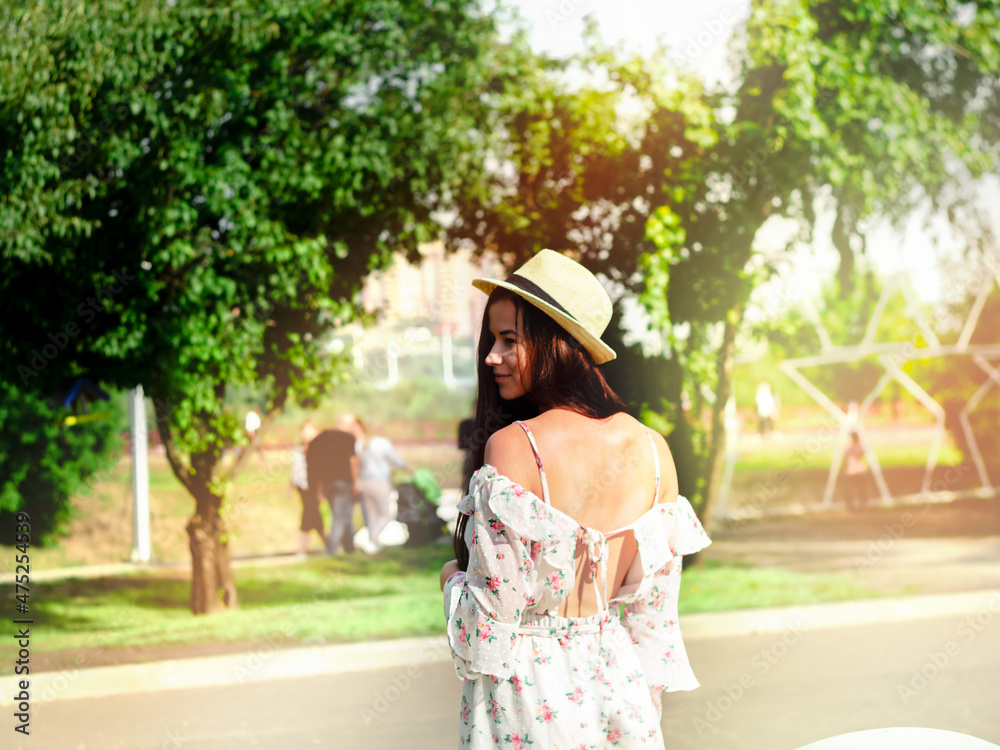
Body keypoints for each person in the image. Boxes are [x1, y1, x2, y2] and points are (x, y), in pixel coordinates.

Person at [438, 250, 710, 749]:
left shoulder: (517, 445)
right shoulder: (652, 449)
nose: (490, 357)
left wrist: (451, 582)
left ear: (556, 344)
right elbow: (653, 618)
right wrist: (642, 711)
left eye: (508, 340)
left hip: (529, 695)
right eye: (491, 340)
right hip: (619, 686)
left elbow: (486, 634)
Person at [306, 413, 361, 554]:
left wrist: (319, 489)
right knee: (340, 518)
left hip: (326, 484)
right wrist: (356, 484)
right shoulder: (348, 438)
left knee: (343, 515)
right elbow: (352, 462)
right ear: (348, 424)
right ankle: (331, 551)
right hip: (343, 483)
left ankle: (350, 548)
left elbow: (315, 465)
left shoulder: (320, 439)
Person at [356, 417, 409, 553]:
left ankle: (373, 547)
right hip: (379, 481)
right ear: (380, 430)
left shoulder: (360, 443)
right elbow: (396, 460)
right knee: (387, 513)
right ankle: (373, 539)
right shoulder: (382, 443)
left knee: (371, 514)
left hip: (364, 482)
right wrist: (409, 468)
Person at [288, 421, 328, 558]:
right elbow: (295, 469)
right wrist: (291, 486)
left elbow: (321, 471)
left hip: (313, 487)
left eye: (308, 430)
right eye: (303, 430)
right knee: (314, 516)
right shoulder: (299, 449)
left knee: (308, 516)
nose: (304, 433)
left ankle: (303, 550)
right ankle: (328, 545)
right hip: (302, 487)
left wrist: (320, 491)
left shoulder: (320, 448)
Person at [843, 431, 869, 510]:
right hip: (859, 470)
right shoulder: (859, 447)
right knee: (860, 488)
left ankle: (851, 504)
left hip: (852, 470)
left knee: (852, 488)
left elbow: (845, 459)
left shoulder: (848, 448)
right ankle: (862, 503)